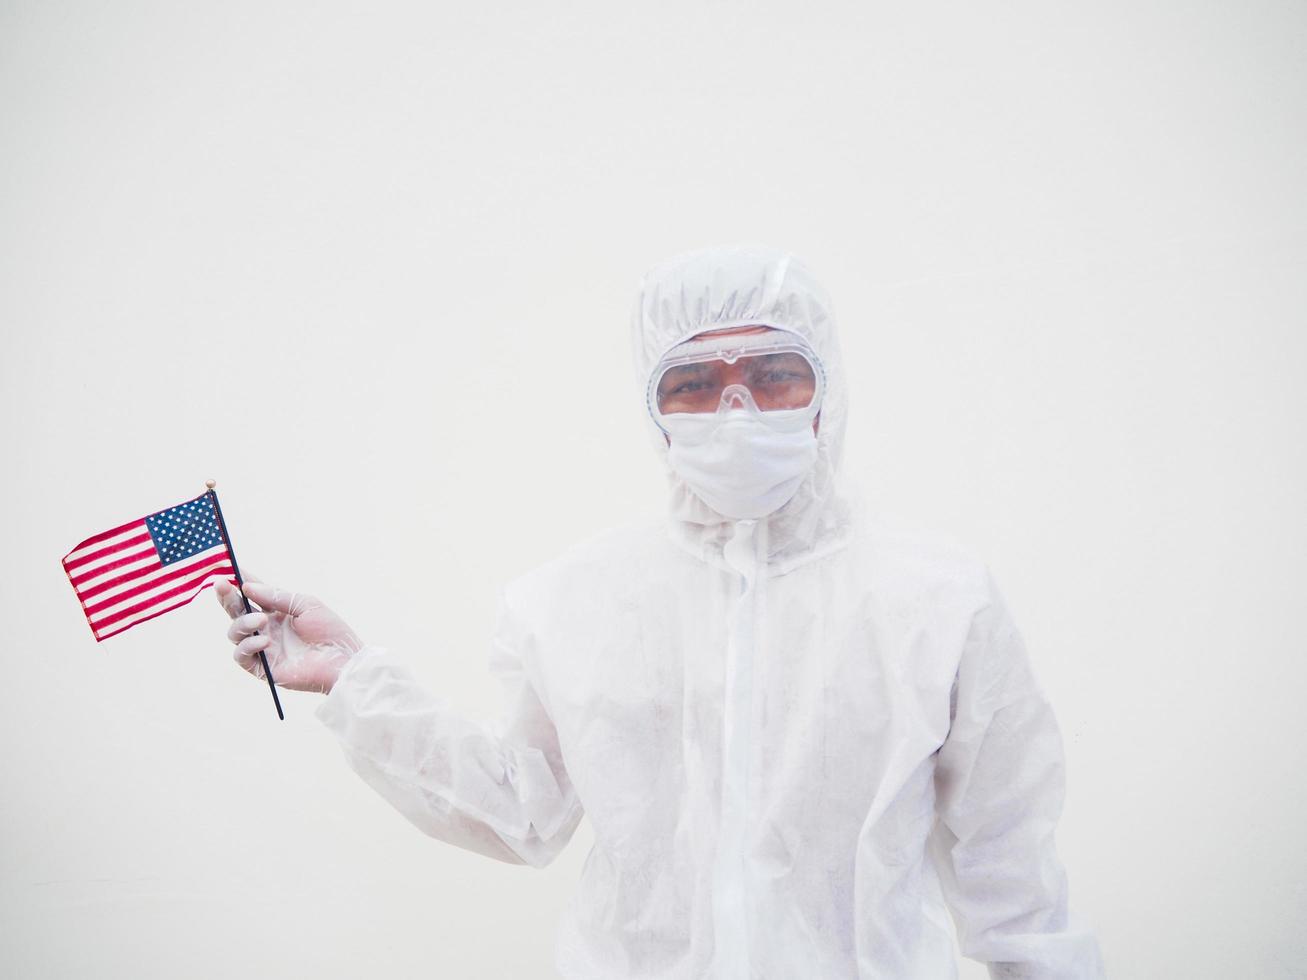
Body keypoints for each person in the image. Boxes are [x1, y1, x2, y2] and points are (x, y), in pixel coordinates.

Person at [216, 245, 1105, 978]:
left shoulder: (936, 598)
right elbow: (522, 812)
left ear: (825, 391)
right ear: (654, 404)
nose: (735, 408)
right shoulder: (571, 601)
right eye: (692, 383)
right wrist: (356, 681)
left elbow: (1009, 871)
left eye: (772, 373)